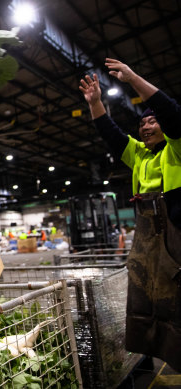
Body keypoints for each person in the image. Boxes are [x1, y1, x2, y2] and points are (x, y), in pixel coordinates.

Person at [79, 58, 181, 372]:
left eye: (153, 122)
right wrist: (96, 103)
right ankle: (157, 355)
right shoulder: (138, 154)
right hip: (147, 240)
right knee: (147, 300)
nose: (146, 127)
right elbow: (111, 134)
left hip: (177, 238)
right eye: (142, 124)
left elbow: (173, 114)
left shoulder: (176, 149)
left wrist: (134, 78)